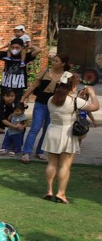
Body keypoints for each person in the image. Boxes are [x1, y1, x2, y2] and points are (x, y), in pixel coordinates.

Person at [41, 73, 99, 203]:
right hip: (67, 133)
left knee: (52, 163)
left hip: (52, 131)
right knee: (65, 166)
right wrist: (92, 93)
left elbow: (65, 103)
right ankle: (61, 193)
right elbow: (95, 107)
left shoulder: (51, 99)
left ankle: (49, 190)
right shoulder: (74, 101)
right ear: (72, 87)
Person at [21, 53, 68, 162]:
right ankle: (26, 153)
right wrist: (24, 97)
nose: (54, 62)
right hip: (41, 103)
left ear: (63, 64)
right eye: (53, 60)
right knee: (35, 128)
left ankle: (40, 152)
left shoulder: (66, 76)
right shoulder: (46, 72)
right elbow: (33, 86)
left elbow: (67, 91)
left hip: (55, 106)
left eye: (56, 61)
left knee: (48, 130)